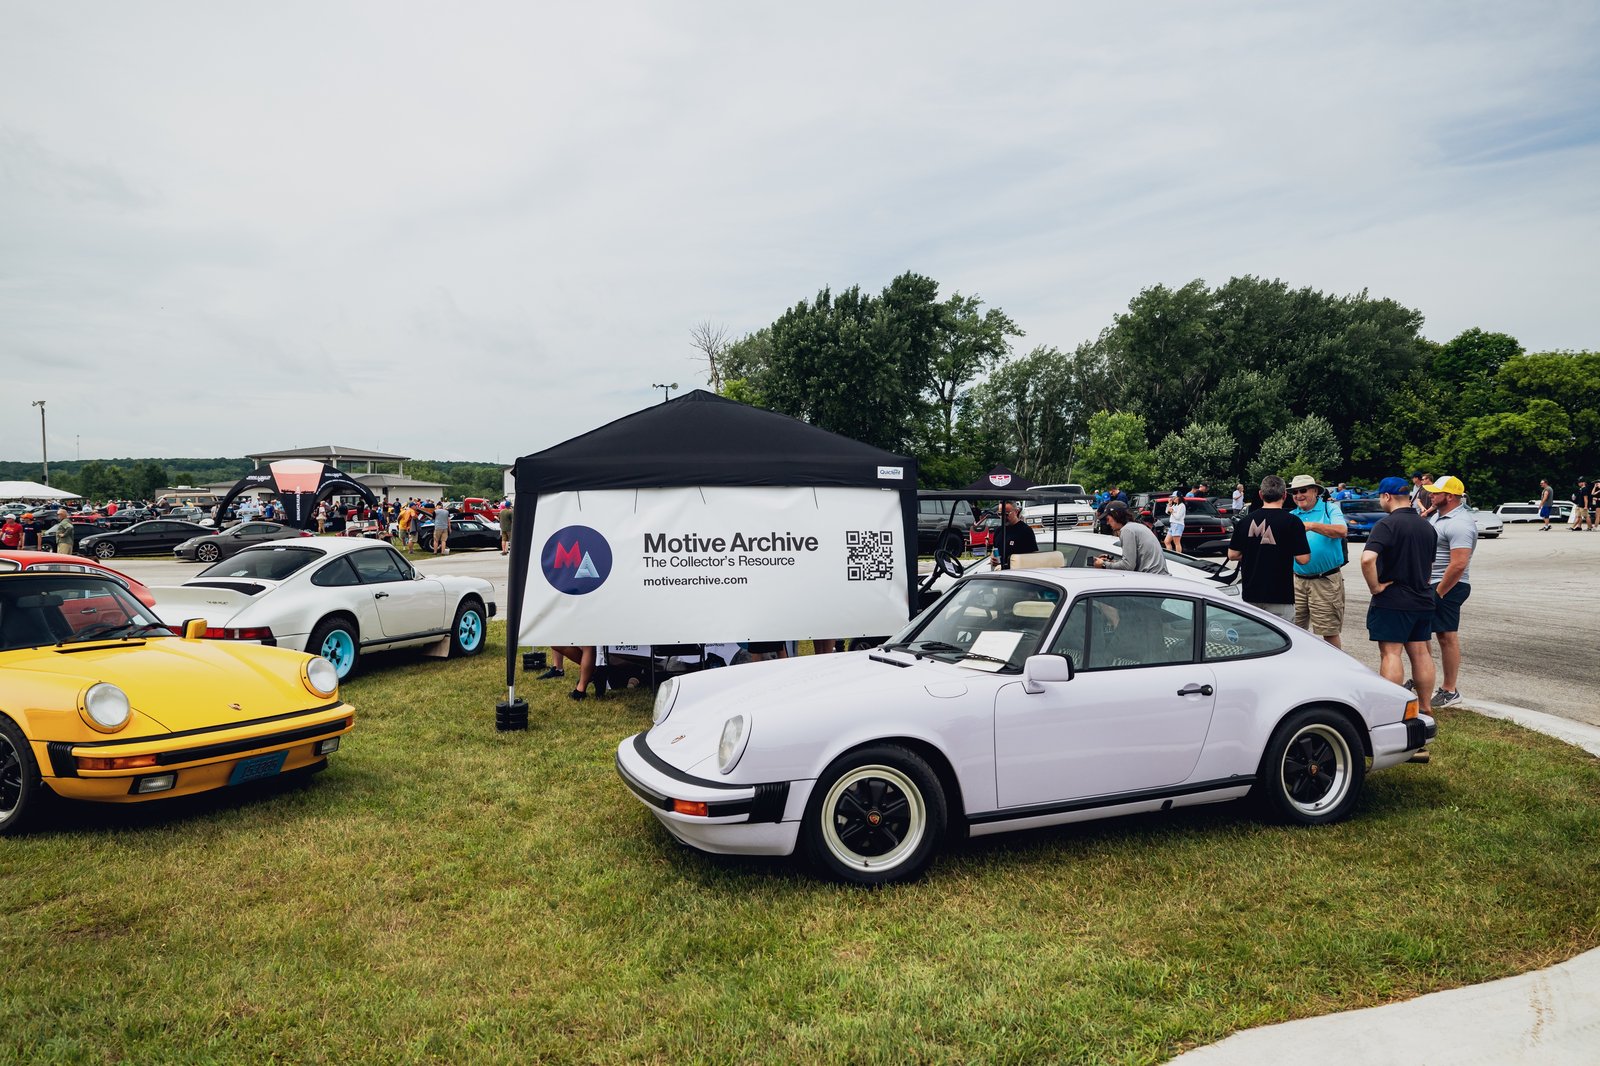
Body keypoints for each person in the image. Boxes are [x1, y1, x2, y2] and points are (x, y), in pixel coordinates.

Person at [1361, 476, 1439, 760]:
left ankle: (1393, 712)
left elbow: (1368, 559)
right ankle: (1426, 707)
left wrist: (1375, 587)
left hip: (1393, 599)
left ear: (1387, 497)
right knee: (1420, 651)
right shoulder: (1426, 526)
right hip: (1422, 598)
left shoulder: (1387, 524)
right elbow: (1429, 567)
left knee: (1391, 653)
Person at [1423, 476, 1477, 709]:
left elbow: (1459, 564)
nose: (1431, 495)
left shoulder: (1460, 523)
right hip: (1433, 582)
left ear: (1451, 496)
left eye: (1436, 492)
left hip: (1448, 585)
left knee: (1446, 636)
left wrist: (1441, 592)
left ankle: (1450, 689)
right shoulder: (1439, 516)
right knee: (1422, 632)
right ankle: (1422, 677)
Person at [1226, 475, 1310, 621]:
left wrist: (1256, 552)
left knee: (1253, 638)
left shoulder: (1245, 521)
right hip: (1280, 594)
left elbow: (1232, 554)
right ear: (1284, 495)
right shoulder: (1293, 522)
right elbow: (1303, 559)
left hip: (1251, 592)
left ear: (1261, 494)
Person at [1288, 474, 1349, 650]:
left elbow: (1341, 531)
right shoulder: (1292, 515)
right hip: (1297, 580)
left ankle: (1335, 671)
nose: (1298, 495)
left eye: (1303, 490)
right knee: (1293, 630)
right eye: (1294, 492)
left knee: (1329, 631)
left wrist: (1311, 525)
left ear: (1315, 491)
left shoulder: (1330, 509)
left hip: (1325, 581)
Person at [1091, 501, 1168, 574]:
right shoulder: (1136, 527)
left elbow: (1128, 566)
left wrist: (1104, 564)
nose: (1107, 523)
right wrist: (1113, 562)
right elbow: (1133, 563)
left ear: (1116, 515)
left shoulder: (1127, 530)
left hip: (1151, 579)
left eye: (1108, 519)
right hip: (1158, 577)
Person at [989, 501, 1037, 569]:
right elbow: (995, 549)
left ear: (1016, 512)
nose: (1003, 517)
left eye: (1006, 514)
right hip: (999, 573)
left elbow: (1033, 557)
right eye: (1000, 514)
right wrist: (992, 558)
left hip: (1017, 573)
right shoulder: (998, 531)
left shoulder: (1025, 531)